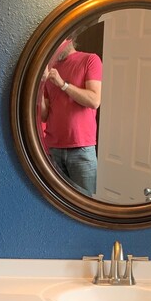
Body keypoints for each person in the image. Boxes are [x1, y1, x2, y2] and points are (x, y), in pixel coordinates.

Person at [39, 37, 102, 196]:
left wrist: (62, 84)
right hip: (54, 150)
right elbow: (44, 115)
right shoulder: (50, 69)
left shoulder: (90, 60)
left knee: (85, 206)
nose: (53, 50)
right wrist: (40, 85)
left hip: (81, 150)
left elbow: (94, 101)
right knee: (55, 203)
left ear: (69, 39)